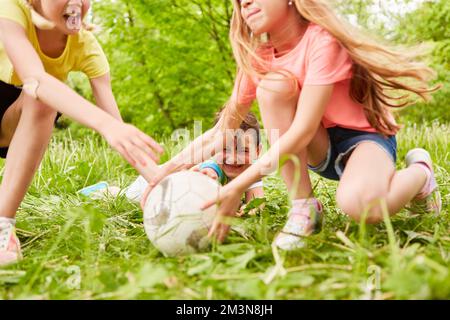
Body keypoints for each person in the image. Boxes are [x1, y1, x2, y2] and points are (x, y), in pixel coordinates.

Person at [144, 0, 442, 250]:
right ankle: (304, 208)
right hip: (319, 146)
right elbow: (222, 131)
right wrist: (162, 173)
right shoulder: (258, 57)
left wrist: (238, 185)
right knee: (272, 87)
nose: (244, 3)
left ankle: (420, 174)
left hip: (364, 140)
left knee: (362, 208)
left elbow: (301, 129)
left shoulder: (322, 41)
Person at [0, 0, 163, 265]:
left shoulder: (86, 47)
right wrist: (106, 125)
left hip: (12, 123)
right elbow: (35, 78)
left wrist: (158, 179)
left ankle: (3, 224)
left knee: (43, 99)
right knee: (40, 88)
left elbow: (118, 129)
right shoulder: (11, 10)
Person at [81, 111, 264, 208]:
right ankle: (104, 190)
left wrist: (249, 212)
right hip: (151, 185)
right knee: (125, 197)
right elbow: (202, 174)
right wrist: (205, 175)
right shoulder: (212, 167)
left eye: (245, 150)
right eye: (224, 149)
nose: (233, 158)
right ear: (213, 148)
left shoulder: (251, 171)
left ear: (258, 151)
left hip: (168, 189)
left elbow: (257, 203)